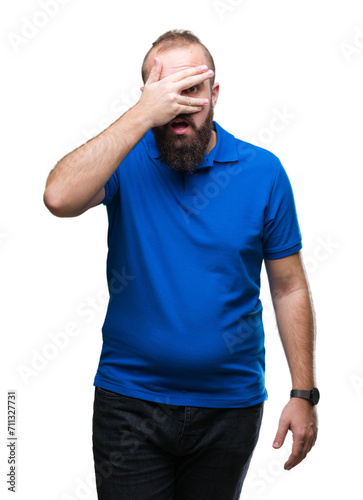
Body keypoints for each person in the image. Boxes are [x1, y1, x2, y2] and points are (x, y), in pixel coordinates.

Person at [43, 29, 318, 500]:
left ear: (214, 94)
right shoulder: (124, 161)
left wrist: (303, 393)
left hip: (230, 408)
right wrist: (140, 116)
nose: (178, 104)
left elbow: (288, 286)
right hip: (130, 403)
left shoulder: (262, 171)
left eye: (191, 88)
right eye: (163, 90)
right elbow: (58, 197)